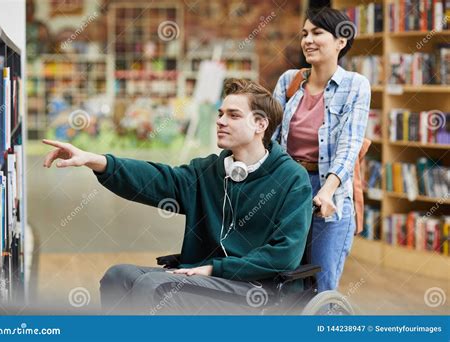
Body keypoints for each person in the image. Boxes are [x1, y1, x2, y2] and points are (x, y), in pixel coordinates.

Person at [42, 79, 313, 314]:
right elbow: (156, 179)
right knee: (118, 276)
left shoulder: (291, 179)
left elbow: (285, 255)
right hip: (206, 281)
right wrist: (94, 160)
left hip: (256, 290)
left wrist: (214, 269)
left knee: (154, 288)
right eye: (220, 113)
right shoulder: (209, 171)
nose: (220, 121)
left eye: (233, 115)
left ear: (260, 125)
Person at [272, 7, 371, 293]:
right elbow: (272, 139)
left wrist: (327, 191)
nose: (308, 40)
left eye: (317, 33)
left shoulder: (355, 85)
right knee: (284, 279)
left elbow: (350, 144)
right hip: (287, 188)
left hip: (331, 190)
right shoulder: (289, 81)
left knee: (322, 282)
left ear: (341, 41)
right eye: (304, 34)